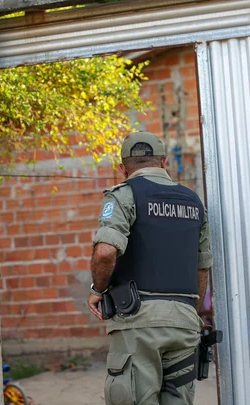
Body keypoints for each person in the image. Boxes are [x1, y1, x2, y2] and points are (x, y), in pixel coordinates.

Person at [87, 131, 212, 405]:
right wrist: (191, 311)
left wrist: (98, 289)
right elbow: (202, 266)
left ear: (122, 167)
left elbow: (106, 252)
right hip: (184, 322)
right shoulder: (194, 202)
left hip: (138, 323)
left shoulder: (124, 195)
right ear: (164, 161)